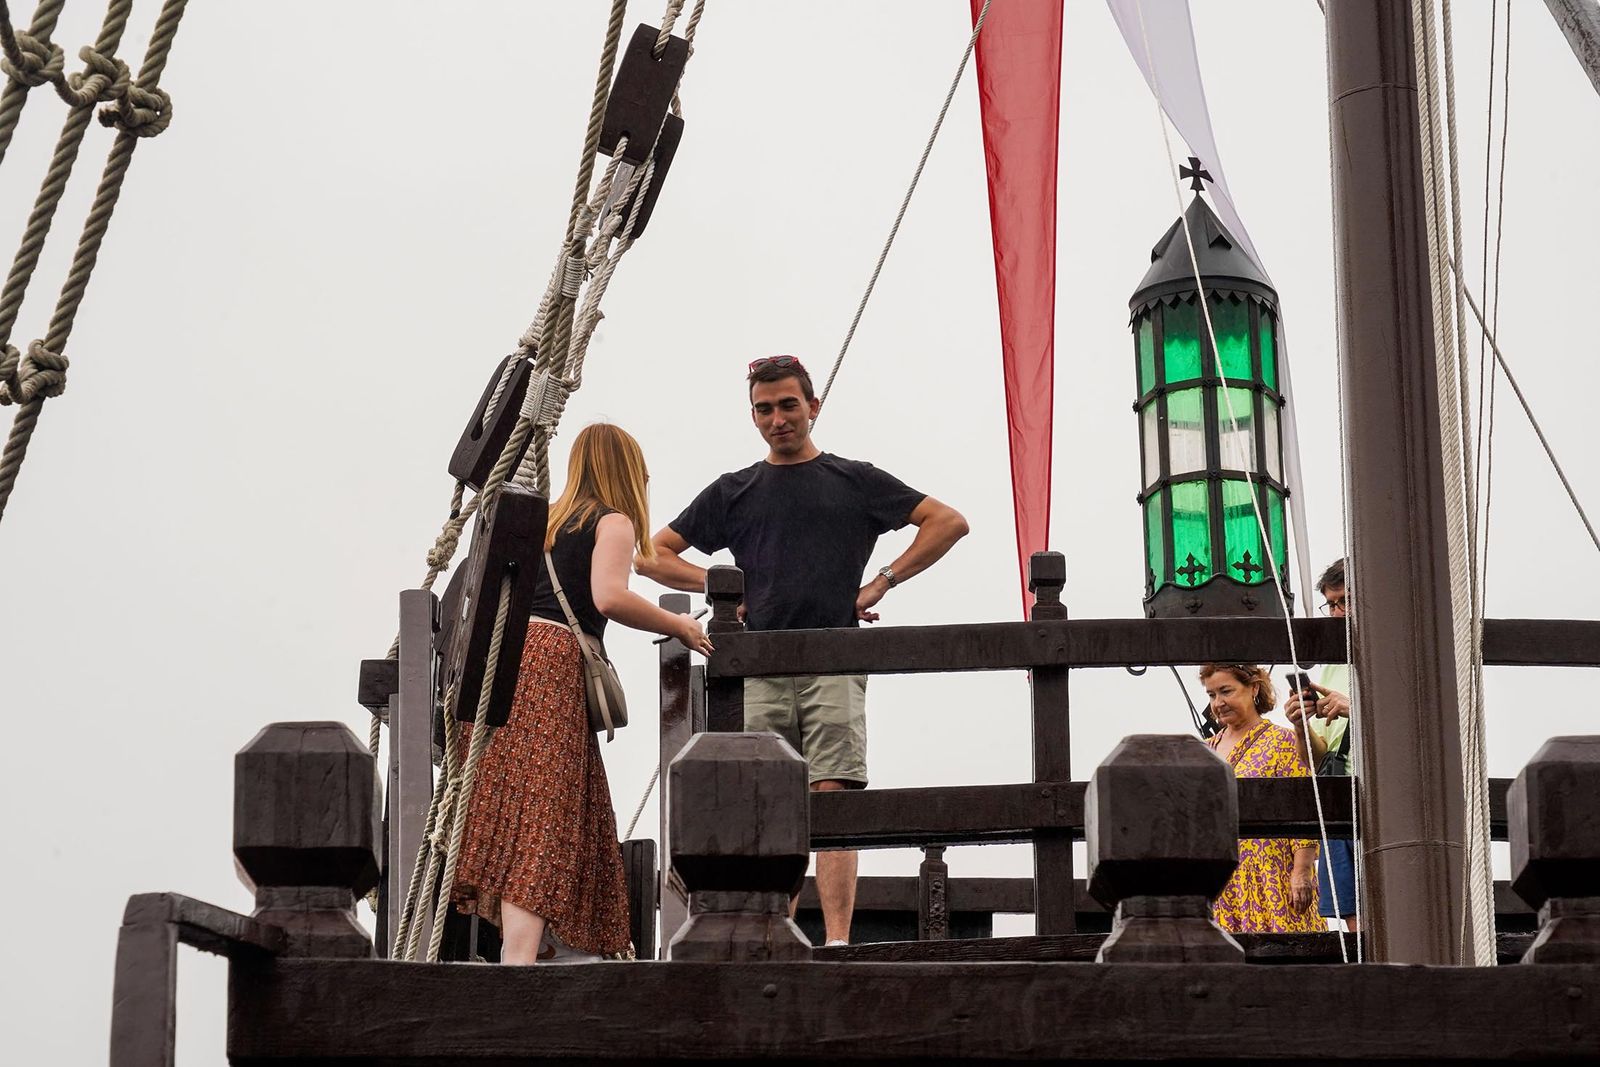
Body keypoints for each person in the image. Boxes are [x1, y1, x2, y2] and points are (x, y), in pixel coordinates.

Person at [635, 354, 970, 947]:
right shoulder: (734, 490)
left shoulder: (854, 479)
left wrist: (882, 580)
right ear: (753, 415)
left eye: (789, 405)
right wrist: (723, 588)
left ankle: (837, 941)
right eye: (764, 409)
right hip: (758, 664)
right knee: (769, 799)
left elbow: (947, 521)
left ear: (813, 407)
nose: (777, 418)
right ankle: (777, 931)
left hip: (834, 656)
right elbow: (651, 553)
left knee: (833, 797)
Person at [452, 423, 714, 965]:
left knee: (518, 811)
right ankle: (519, 966)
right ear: (626, 473)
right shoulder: (611, 521)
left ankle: (530, 950)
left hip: (501, 666)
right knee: (544, 818)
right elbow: (609, 596)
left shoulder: (546, 523)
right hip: (550, 666)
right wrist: (679, 625)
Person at [1200, 662, 1322, 933]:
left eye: (1226, 691)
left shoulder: (1284, 741)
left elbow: (1302, 806)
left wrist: (1302, 870)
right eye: (1211, 695)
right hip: (1222, 880)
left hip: (1272, 872)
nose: (1218, 702)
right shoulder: (1204, 751)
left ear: (1253, 688)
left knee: (1286, 957)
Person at [1284, 557, 1357, 930]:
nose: (1336, 612)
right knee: (1355, 921)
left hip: (1388, 801)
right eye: (1331, 604)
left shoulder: (1403, 647)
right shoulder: (1331, 661)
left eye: (1345, 601)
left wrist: (1354, 709)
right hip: (1341, 798)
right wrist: (1300, 725)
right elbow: (1317, 759)